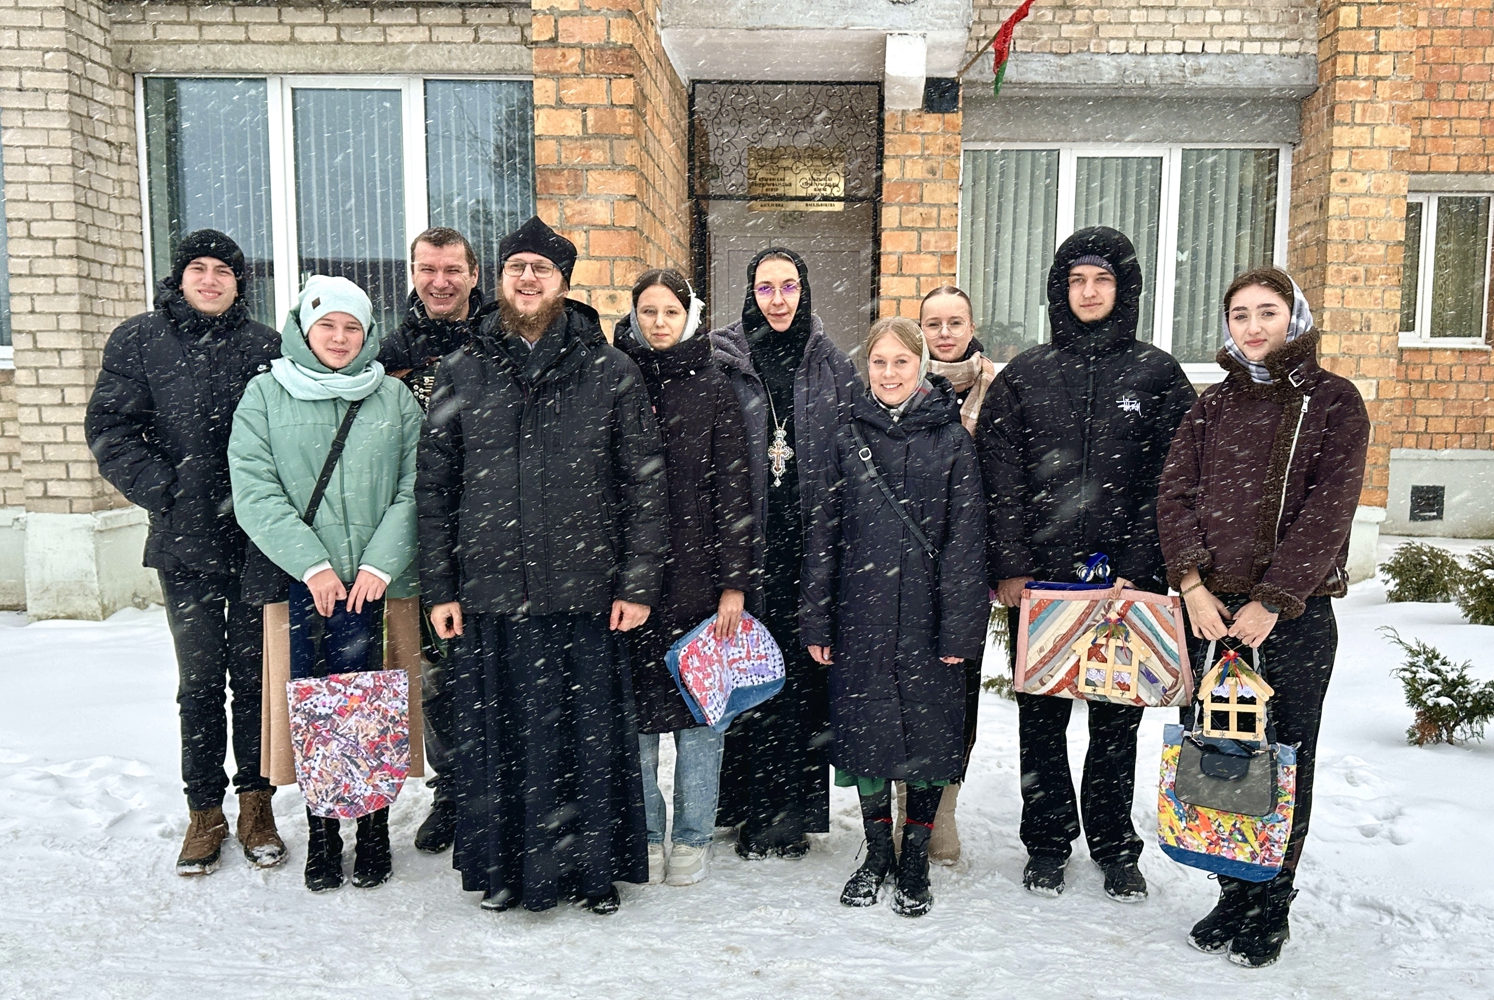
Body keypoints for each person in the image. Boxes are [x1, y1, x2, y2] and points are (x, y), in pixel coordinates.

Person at [417, 215, 667, 915]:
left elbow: (644, 485)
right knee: (501, 741)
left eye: (542, 269)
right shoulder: (462, 370)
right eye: (516, 268)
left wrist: (638, 581)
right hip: (492, 593)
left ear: (564, 282)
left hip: (585, 593)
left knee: (586, 740)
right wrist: (440, 587)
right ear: (499, 280)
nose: (528, 279)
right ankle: (505, 871)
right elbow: (435, 489)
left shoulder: (610, 371)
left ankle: (592, 871)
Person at [977, 226, 1197, 902]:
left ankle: (1114, 845)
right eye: (1077, 280)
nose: (1090, 292)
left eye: (1102, 280)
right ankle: (1047, 843)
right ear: (1059, 290)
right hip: (1043, 583)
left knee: (1115, 722)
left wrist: (1140, 561)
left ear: (1124, 289)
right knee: (1041, 722)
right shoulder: (1025, 376)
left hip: (1124, 582)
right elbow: (1000, 478)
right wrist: (1012, 566)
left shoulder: (1157, 376)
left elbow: (1173, 480)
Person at [1158, 266, 1368, 968]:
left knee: (1283, 761)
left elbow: (1329, 511)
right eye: (1240, 314)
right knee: (1220, 758)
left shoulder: (1332, 402)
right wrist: (1191, 584)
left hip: (1292, 618)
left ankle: (1271, 901)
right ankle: (1232, 890)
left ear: (1294, 318)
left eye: (1267, 311)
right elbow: (1174, 494)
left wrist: (1274, 599)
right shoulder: (1212, 405)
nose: (1253, 326)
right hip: (1213, 619)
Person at [85, 229, 285, 876]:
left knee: (254, 682)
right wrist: (165, 489)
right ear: (179, 277)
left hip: (257, 543)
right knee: (199, 683)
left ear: (238, 283)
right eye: (198, 268)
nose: (210, 280)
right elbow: (111, 427)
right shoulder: (140, 340)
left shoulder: (265, 346)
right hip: (184, 543)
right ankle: (204, 812)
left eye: (222, 271)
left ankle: (256, 805)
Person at [228, 275, 422, 892]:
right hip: (304, 587)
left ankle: (373, 831)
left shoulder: (394, 398)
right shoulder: (265, 394)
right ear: (303, 330)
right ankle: (322, 833)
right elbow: (254, 489)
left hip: (378, 587)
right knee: (317, 711)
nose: (339, 338)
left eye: (352, 327)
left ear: (368, 333)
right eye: (327, 326)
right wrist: (312, 564)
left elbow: (417, 486)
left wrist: (379, 564)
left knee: (371, 710)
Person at [803, 317, 987, 917]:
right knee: (867, 737)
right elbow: (823, 536)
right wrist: (817, 620)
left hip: (930, 617)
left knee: (930, 739)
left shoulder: (952, 439)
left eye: (901, 362)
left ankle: (915, 858)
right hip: (860, 613)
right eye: (879, 362)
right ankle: (878, 850)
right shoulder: (846, 435)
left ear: (921, 366)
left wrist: (959, 626)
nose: (889, 373)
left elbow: (966, 542)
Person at [710, 247, 859, 860]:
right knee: (744, 677)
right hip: (742, 546)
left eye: (789, 286)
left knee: (796, 684)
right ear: (751, 292)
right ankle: (740, 807)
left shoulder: (832, 365)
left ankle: (787, 816)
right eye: (766, 287)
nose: (778, 299)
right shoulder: (722, 360)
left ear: (805, 291)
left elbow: (852, 455)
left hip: (808, 551)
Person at [614, 269, 755, 887]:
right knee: (637, 719)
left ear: (689, 315)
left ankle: (694, 836)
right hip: (630, 582)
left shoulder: (714, 384)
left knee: (701, 716)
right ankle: (646, 833)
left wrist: (734, 583)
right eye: (648, 311)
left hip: (698, 579)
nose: (659, 322)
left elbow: (734, 490)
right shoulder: (617, 377)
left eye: (670, 311)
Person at [377, 226, 491, 855]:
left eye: (452, 270)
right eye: (428, 269)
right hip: (418, 536)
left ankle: (500, 786)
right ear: (413, 273)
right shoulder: (389, 353)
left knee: (499, 665)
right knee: (436, 673)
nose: (440, 282)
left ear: (474, 274)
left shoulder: (497, 339)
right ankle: (452, 792)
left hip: (496, 533)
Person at [912, 284, 1000, 865]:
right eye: (933, 323)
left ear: (971, 326)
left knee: (958, 692)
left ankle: (943, 807)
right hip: (907, 566)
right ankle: (907, 806)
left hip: (971, 565)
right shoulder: (902, 383)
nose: (944, 333)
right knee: (909, 689)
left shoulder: (1000, 389)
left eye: (955, 322)